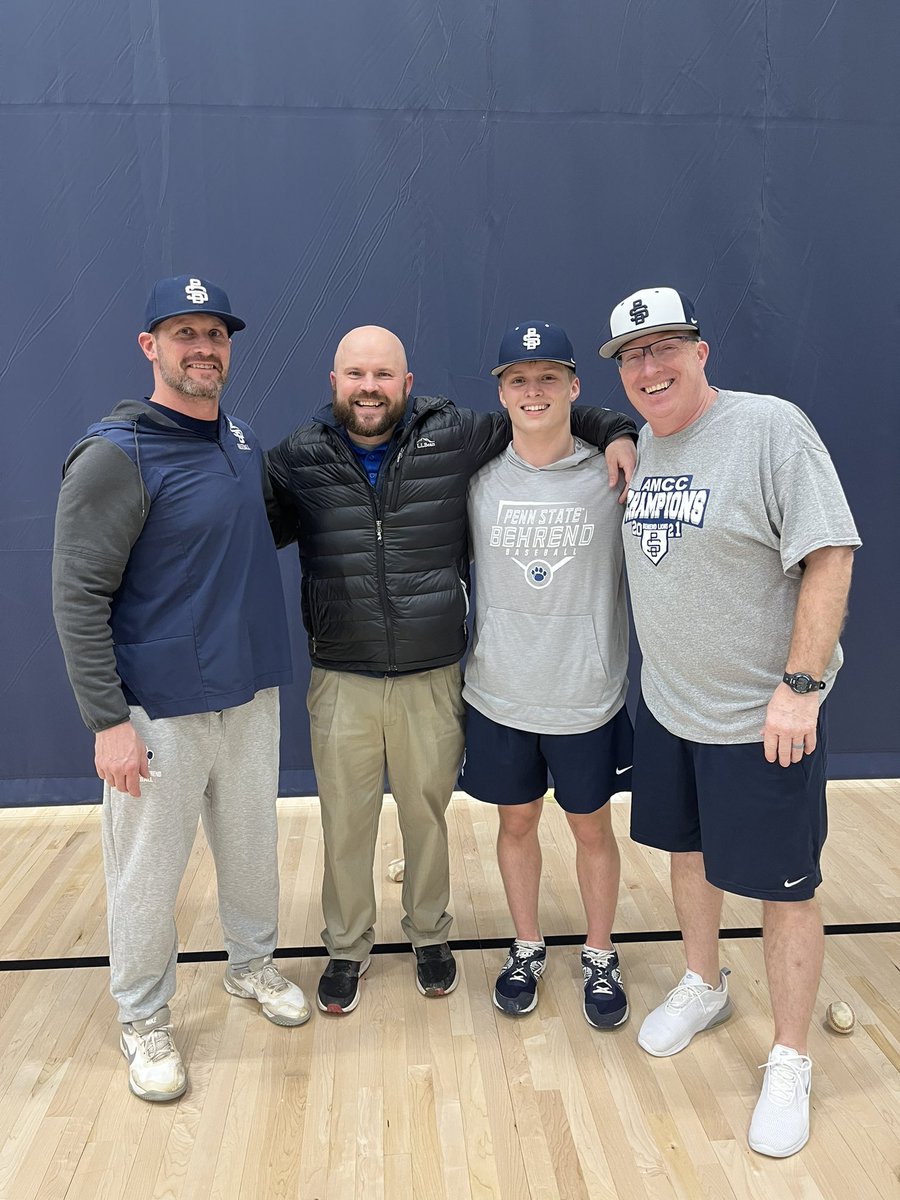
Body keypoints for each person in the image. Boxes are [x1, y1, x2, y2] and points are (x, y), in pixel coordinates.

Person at [265, 325, 637, 1015]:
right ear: (334, 383)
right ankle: (346, 947)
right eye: (355, 374)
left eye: (383, 375)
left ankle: (432, 936)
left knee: (427, 816)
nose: (369, 387)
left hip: (435, 673)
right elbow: (247, 530)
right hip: (343, 674)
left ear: (407, 385)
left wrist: (616, 429)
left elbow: (547, 412)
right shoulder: (297, 458)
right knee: (344, 822)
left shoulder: (456, 438)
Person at [599, 286, 860, 1157]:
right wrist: (618, 433)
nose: (650, 367)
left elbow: (830, 553)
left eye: (666, 348)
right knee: (689, 855)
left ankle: (789, 1055)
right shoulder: (643, 443)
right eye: (634, 356)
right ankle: (704, 983)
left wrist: (800, 685)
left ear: (701, 352)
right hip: (672, 710)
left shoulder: (769, 429)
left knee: (785, 889)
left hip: (763, 718)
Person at [52, 275, 309, 1104]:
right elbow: (77, 596)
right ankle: (143, 1016)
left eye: (215, 334)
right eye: (184, 333)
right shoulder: (113, 454)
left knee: (252, 851)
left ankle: (251, 966)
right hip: (159, 708)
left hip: (249, 693)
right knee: (146, 874)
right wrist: (108, 722)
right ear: (149, 346)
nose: (204, 348)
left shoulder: (239, 436)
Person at [459, 322, 633, 1028]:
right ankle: (527, 945)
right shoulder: (475, 479)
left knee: (591, 829)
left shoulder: (615, 474)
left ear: (574, 386)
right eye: (518, 380)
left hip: (585, 696)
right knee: (517, 822)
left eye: (548, 378)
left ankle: (600, 952)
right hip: (500, 692)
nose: (534, 391)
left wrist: (618, 431)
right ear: (501, 392)